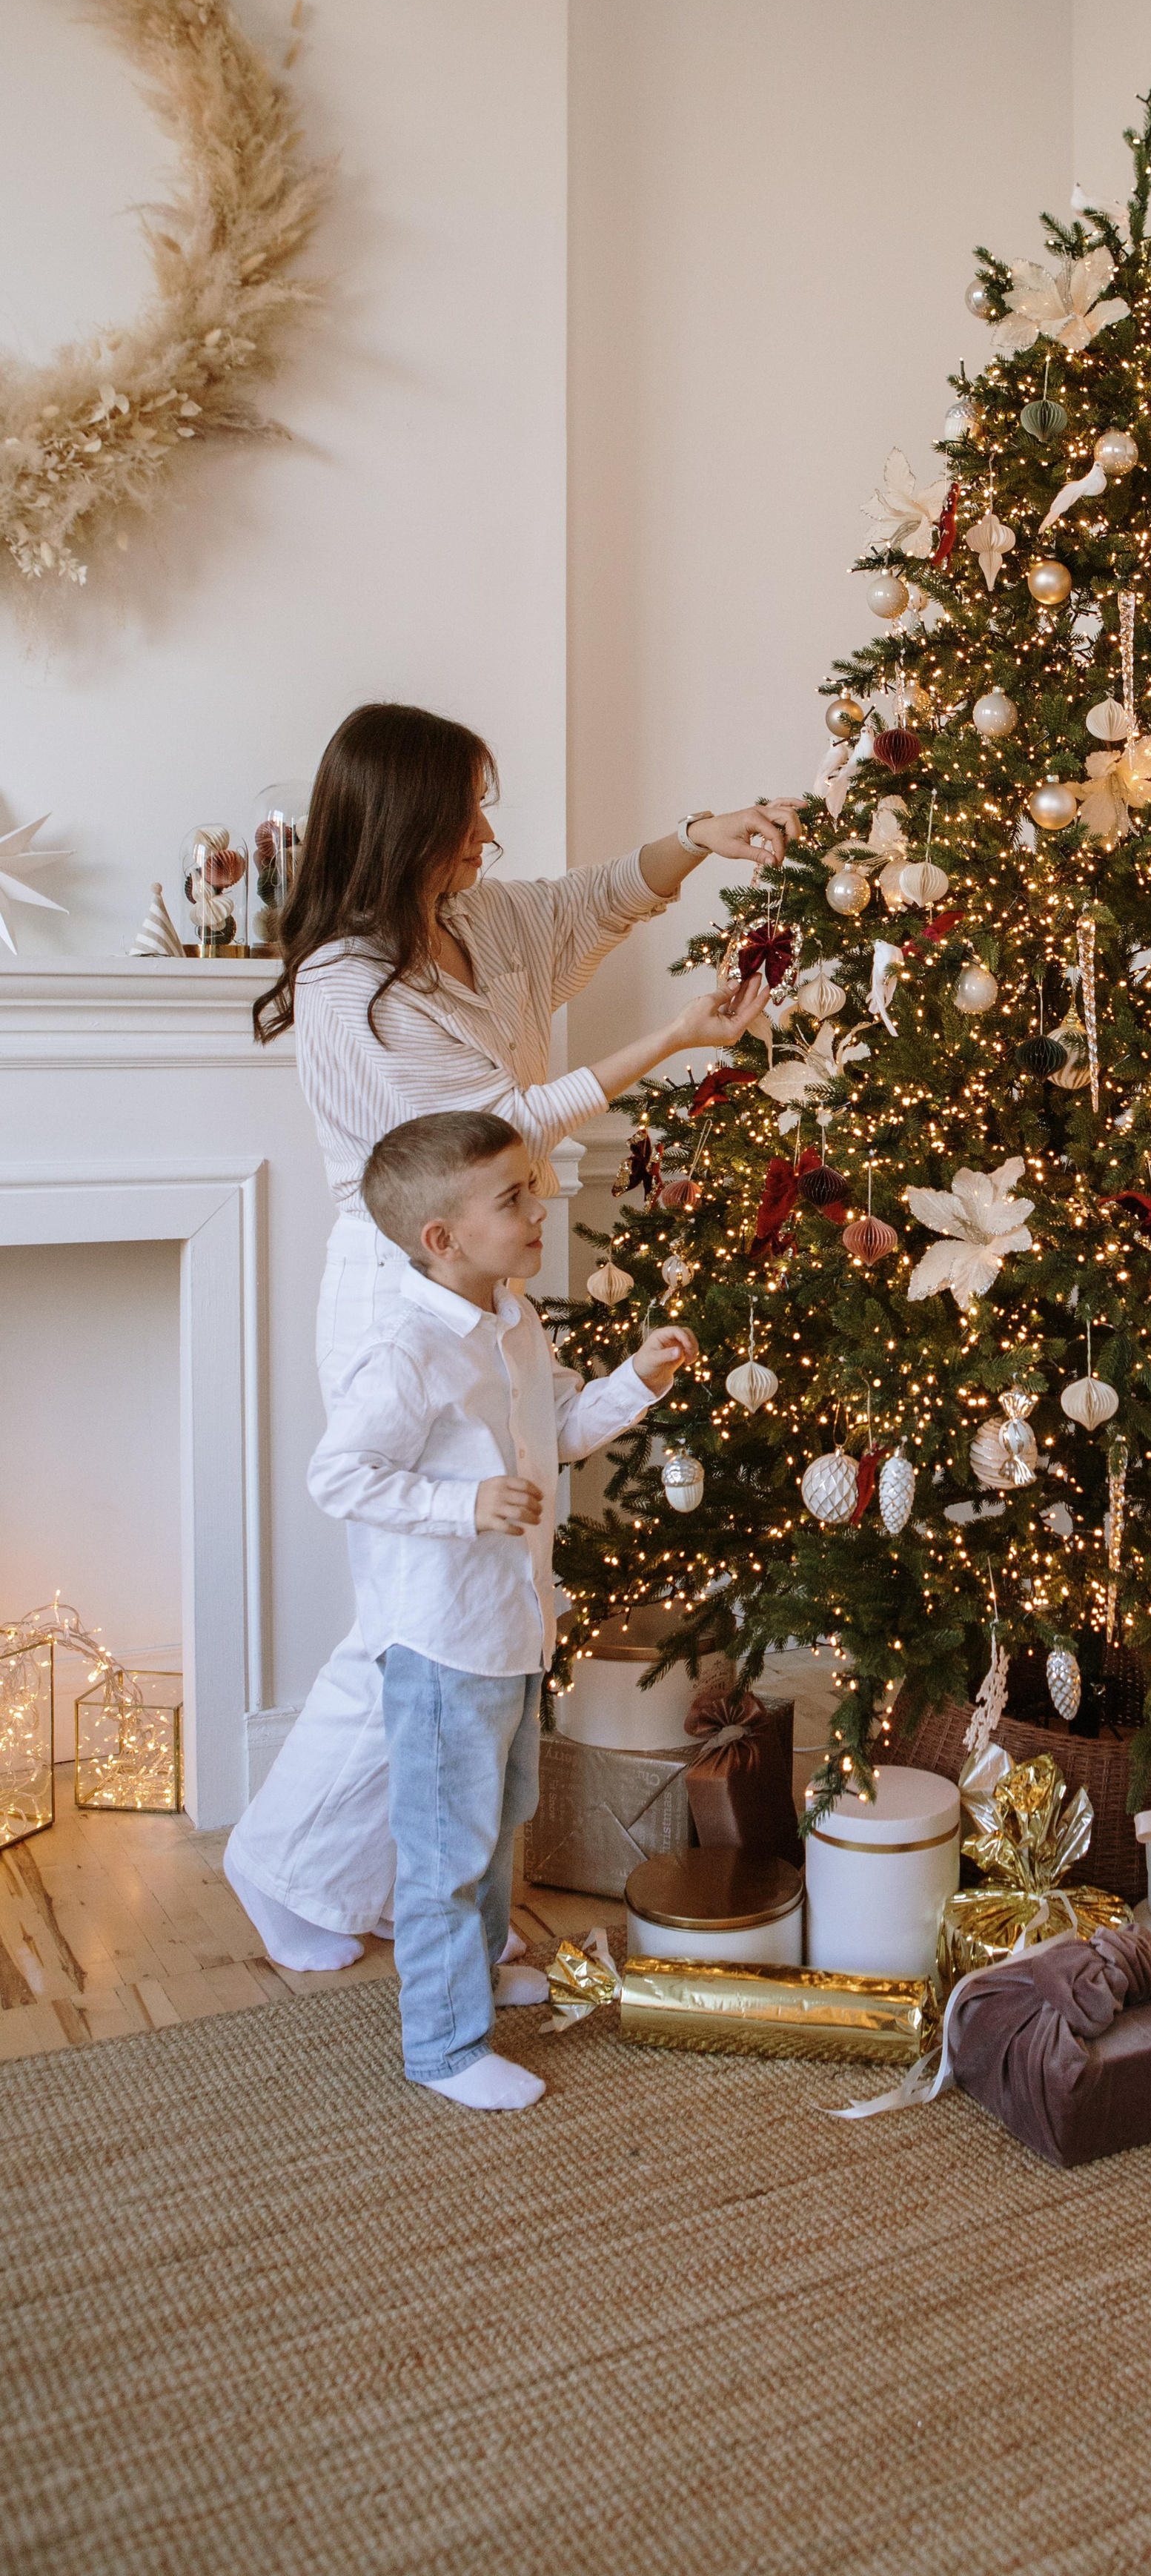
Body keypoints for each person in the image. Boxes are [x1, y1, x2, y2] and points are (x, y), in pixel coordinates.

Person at [225, 701, 797, 1970]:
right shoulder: (348, 989)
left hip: (478, 1278)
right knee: (409, 1627)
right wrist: (672, 1040)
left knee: (466, 1617)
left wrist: (700, 836)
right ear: (404, 823)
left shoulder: (473, 918)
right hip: (403, 1289)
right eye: (466, 812)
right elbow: (489, 1135)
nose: (487, 834)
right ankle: (282, 1868)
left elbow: (591, 901)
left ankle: (384, 1880)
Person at [310, 1110, 695, 2110]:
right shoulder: (405, 1351)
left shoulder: (513, 1320)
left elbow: (554, 1428)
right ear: (443, 1238)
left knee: (496, 1822)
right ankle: (443, 2045)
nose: (541, 1207)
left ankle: (476, 1975)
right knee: (444, 1848)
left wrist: (635, 1382)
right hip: (444, 1641)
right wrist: (462, 1505)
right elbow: (339, 1475)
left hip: (514, 1626)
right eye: (514, 1197)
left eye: (534, 1188)